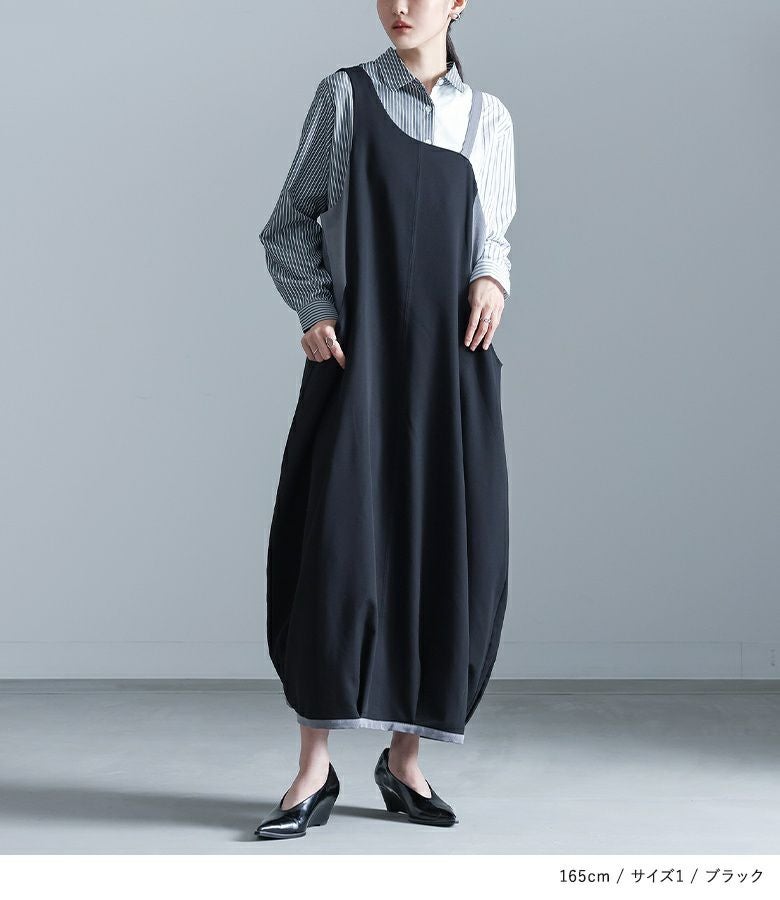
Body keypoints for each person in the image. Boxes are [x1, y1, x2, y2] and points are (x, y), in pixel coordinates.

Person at [255, 0, 516, 838]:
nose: (401, 7)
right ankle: (313, 770)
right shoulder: (344, 97)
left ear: (459, 3)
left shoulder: (488, 118)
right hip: (358, 365)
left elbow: (493, 236)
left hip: (449, 369)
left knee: (443, 551)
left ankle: (405, 762)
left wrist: (492, 280)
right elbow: (287, 225)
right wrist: (314, 308)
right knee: (332, 555)